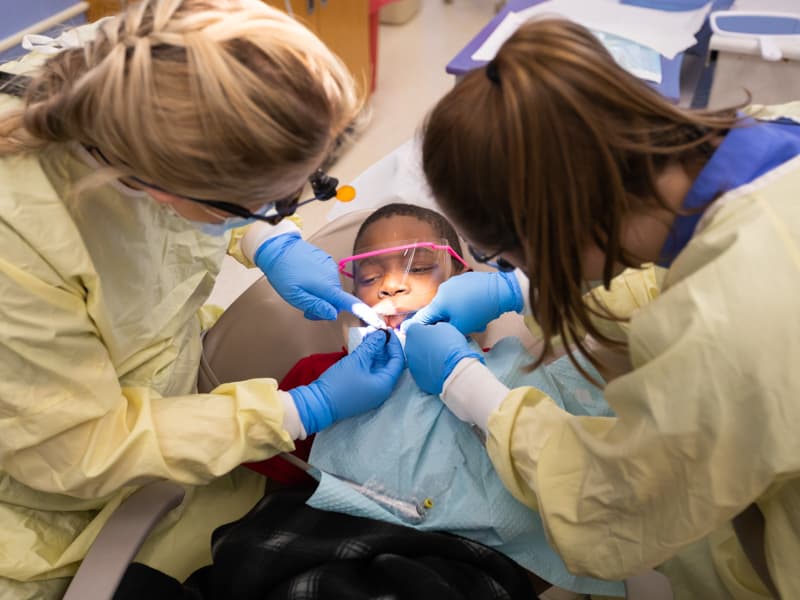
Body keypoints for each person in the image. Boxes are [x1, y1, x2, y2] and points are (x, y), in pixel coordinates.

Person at [0, 1, 404, 596]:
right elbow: (76, 448)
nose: (281, 208)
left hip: (165, 385)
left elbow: (214, 173)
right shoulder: (20, 237)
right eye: (259, 202)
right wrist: (297, 411)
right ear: (155, 185)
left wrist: (267, 237)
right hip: (55, 484)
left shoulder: (149, 65)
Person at [402, 17, 800, 600]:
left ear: (548, 229)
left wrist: (474, 393)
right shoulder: (770, 133)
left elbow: (620, 499)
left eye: (502, 255)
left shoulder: (725, 325)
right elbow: (687, 276)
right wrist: (528, 292)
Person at [248, 203, 623, 597]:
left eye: (420, 266)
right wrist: (313, 404)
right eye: (370, 275)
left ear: (464, 277)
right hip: (329, 548)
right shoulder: (323, 376)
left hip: (456, 566)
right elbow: (278, 482)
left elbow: (584, 480)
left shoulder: (517, 370)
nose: (391, 285)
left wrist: (513, 294)